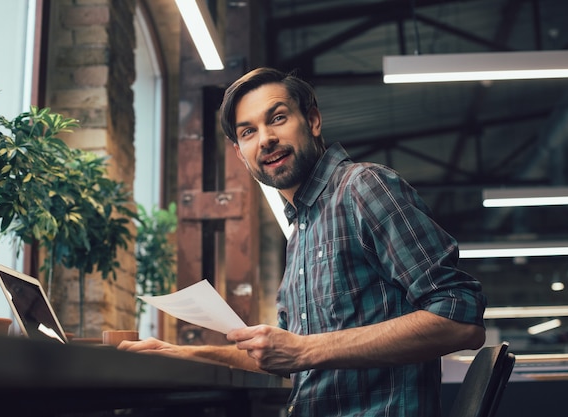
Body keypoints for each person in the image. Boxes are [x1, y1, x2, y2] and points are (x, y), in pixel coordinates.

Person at [119, 67, 487, 416]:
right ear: (239, 154)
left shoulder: (362, 187)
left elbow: (460, 319)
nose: (265, 139)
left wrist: (304, 350)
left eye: (277, 118)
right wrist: (181, 354)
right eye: (248, 132)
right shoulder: (300, 232)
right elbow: (289, 360)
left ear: (312, 121)